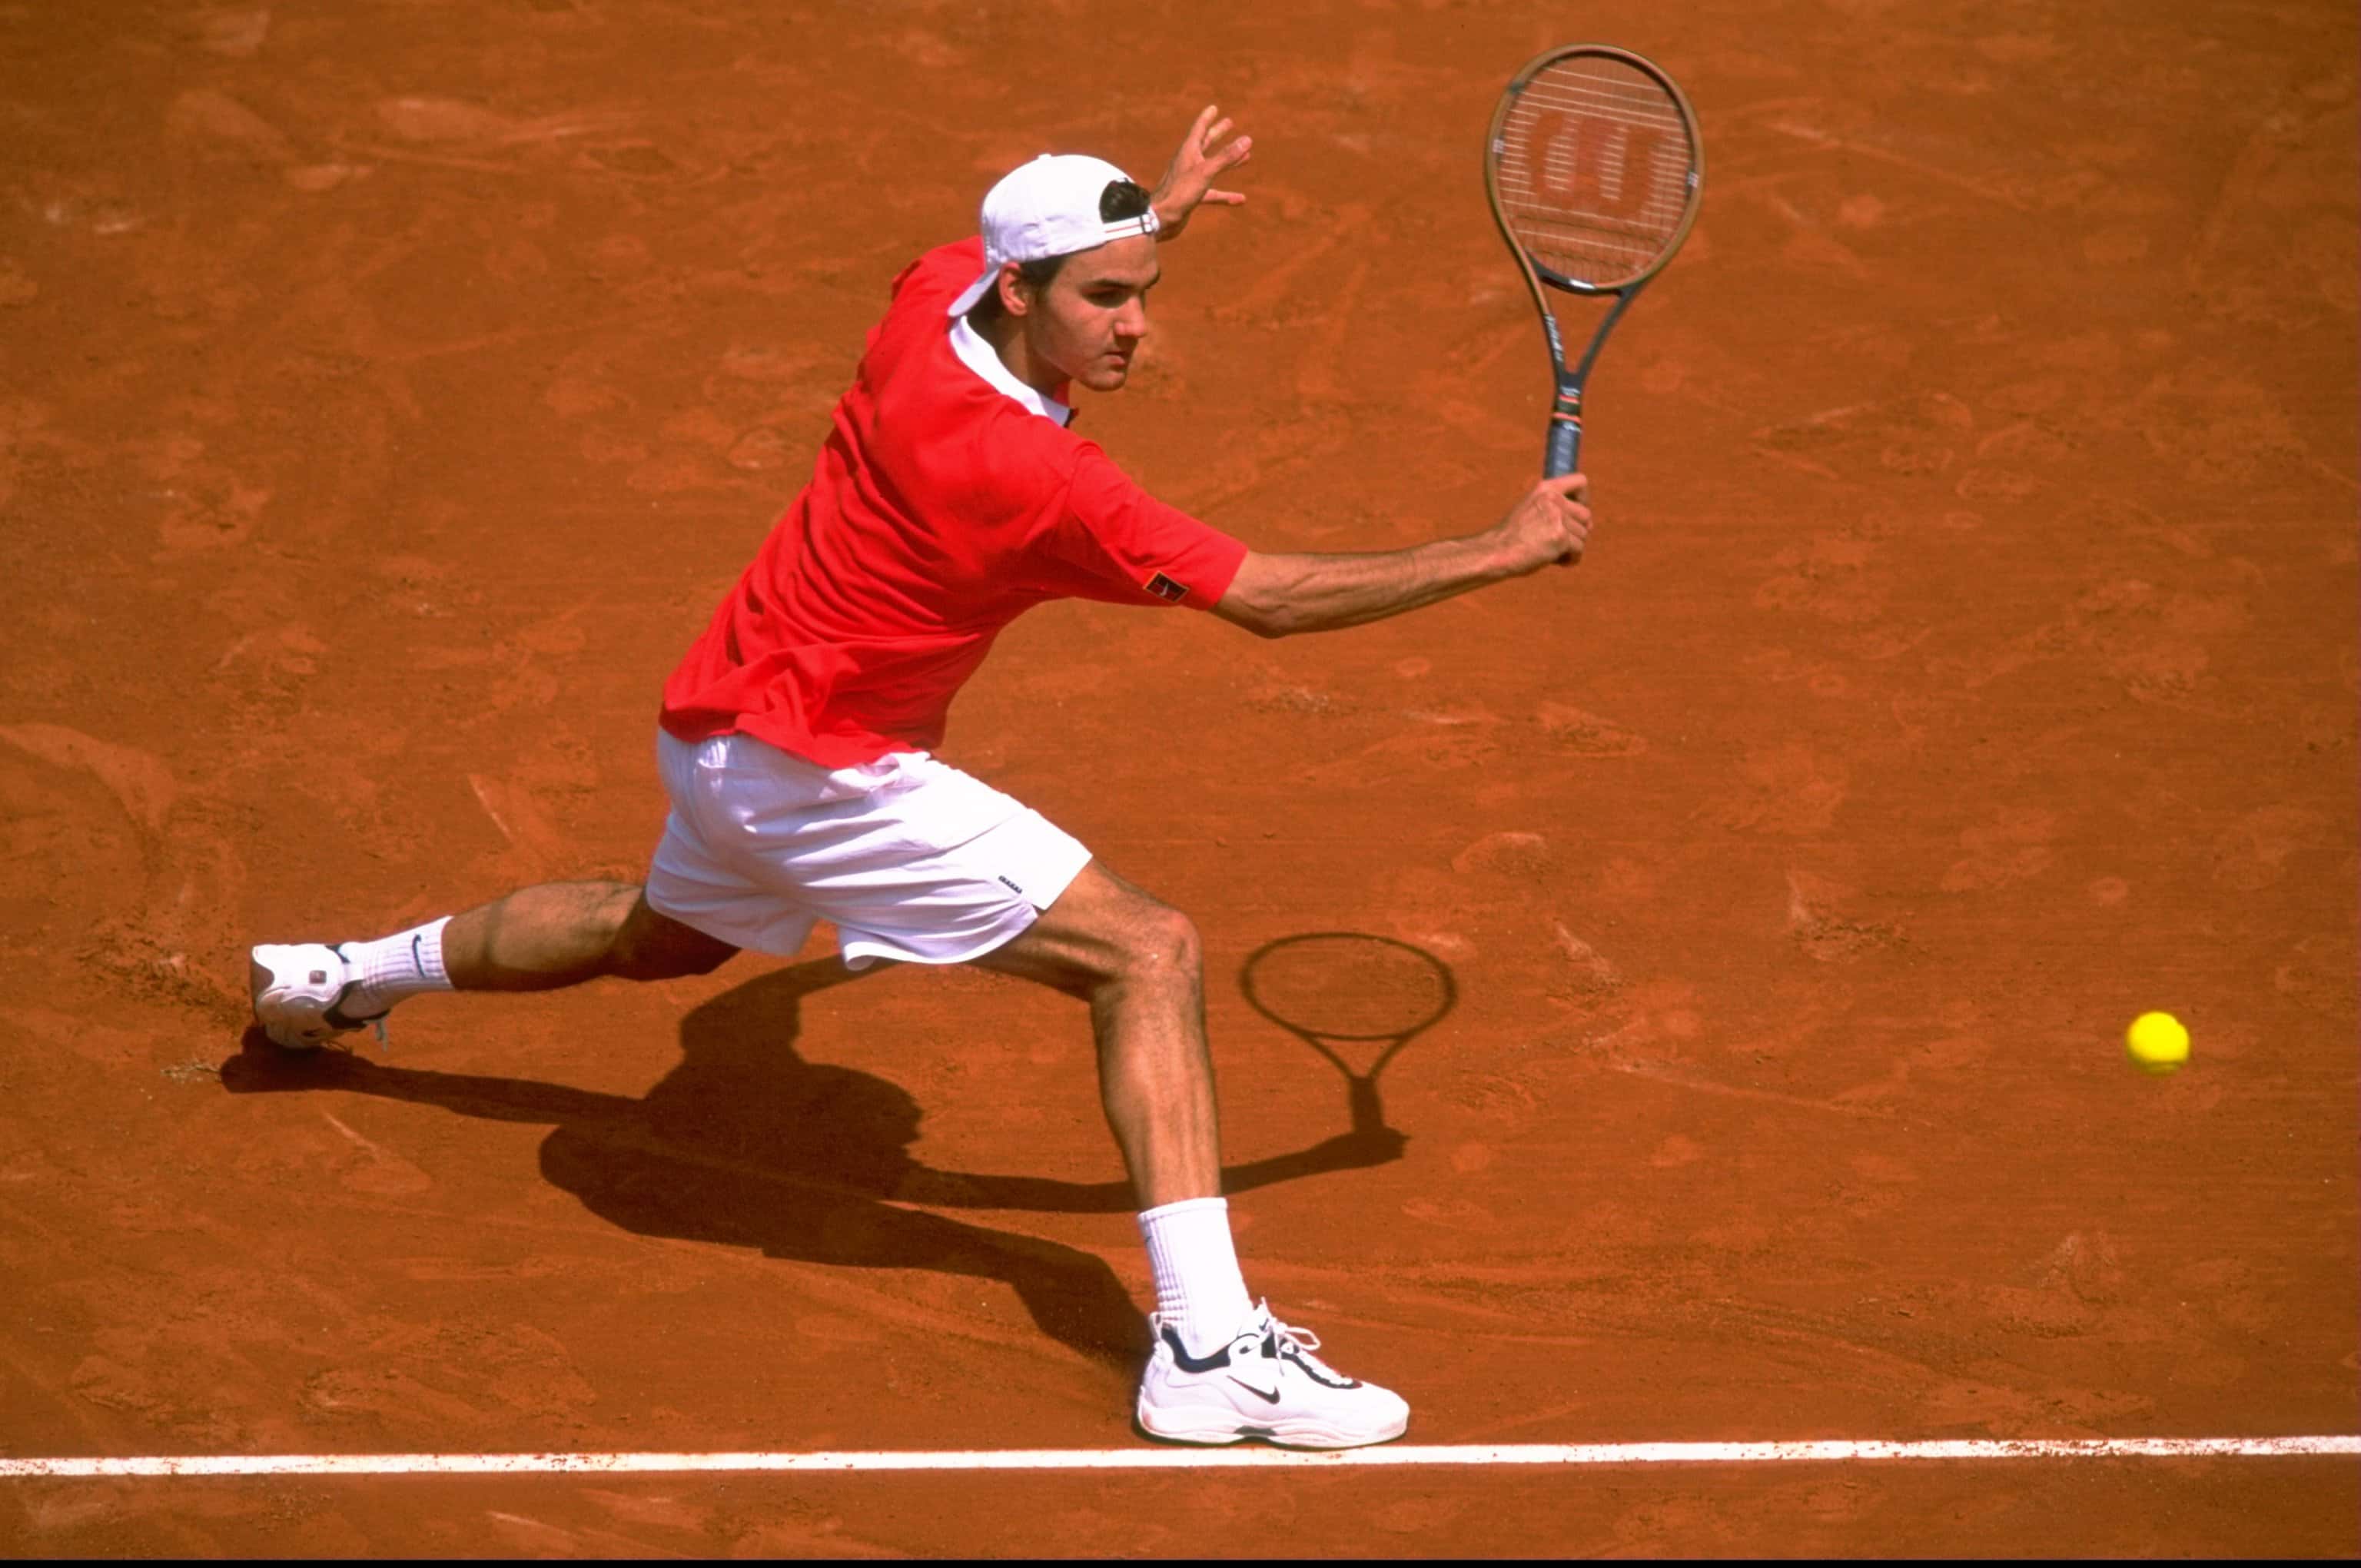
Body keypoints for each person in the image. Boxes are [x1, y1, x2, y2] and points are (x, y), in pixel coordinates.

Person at [248, 106, 1594, 1450]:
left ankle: (339, 978)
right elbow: (1276, 601)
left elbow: (1001, 259)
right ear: (1021, 292)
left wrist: (1151, 218)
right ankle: (1206, 1350)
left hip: (716, 724)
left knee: (656, 940)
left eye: (1143, 291)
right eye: (1107, 299)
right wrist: (1500, 548)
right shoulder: (1038, 478)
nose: (1136, 327)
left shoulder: (926, 308)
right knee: (1147, 953)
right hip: (824, 777)